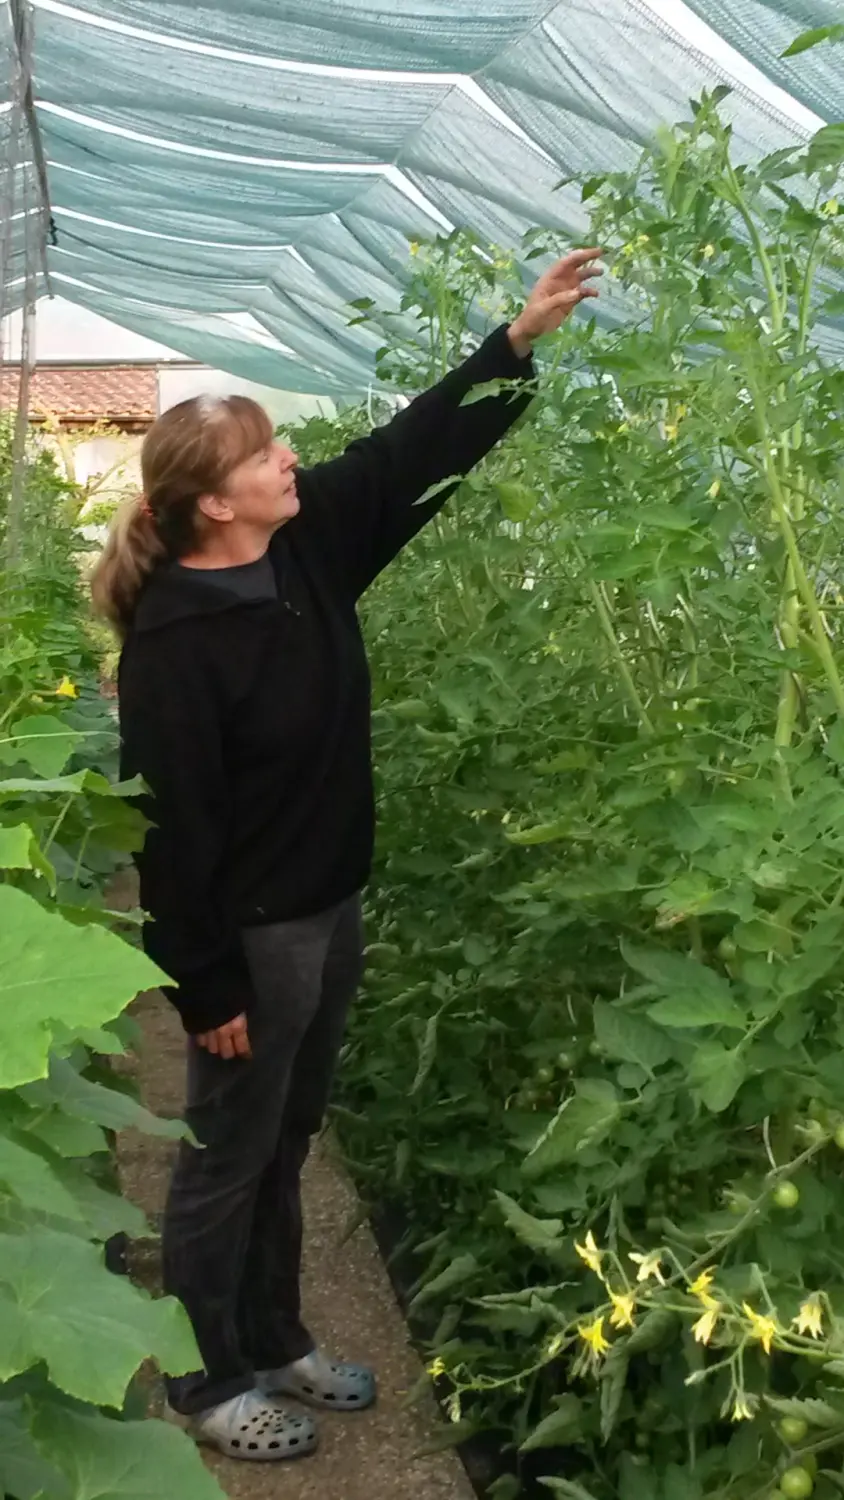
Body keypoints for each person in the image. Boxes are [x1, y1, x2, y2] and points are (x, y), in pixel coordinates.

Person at [91, 248, 602, 1462]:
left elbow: (410, 448)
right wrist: (204, 983)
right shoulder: (174, 649)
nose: (291, 463)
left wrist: (513, 341)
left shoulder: (307, 556)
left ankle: (274, 1338)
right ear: (216, 502)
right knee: (227, 1153)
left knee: (286, 1137)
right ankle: (209, 1381)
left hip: (328, 909)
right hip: (251, 937)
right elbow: (169, 832)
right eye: (267, 455)